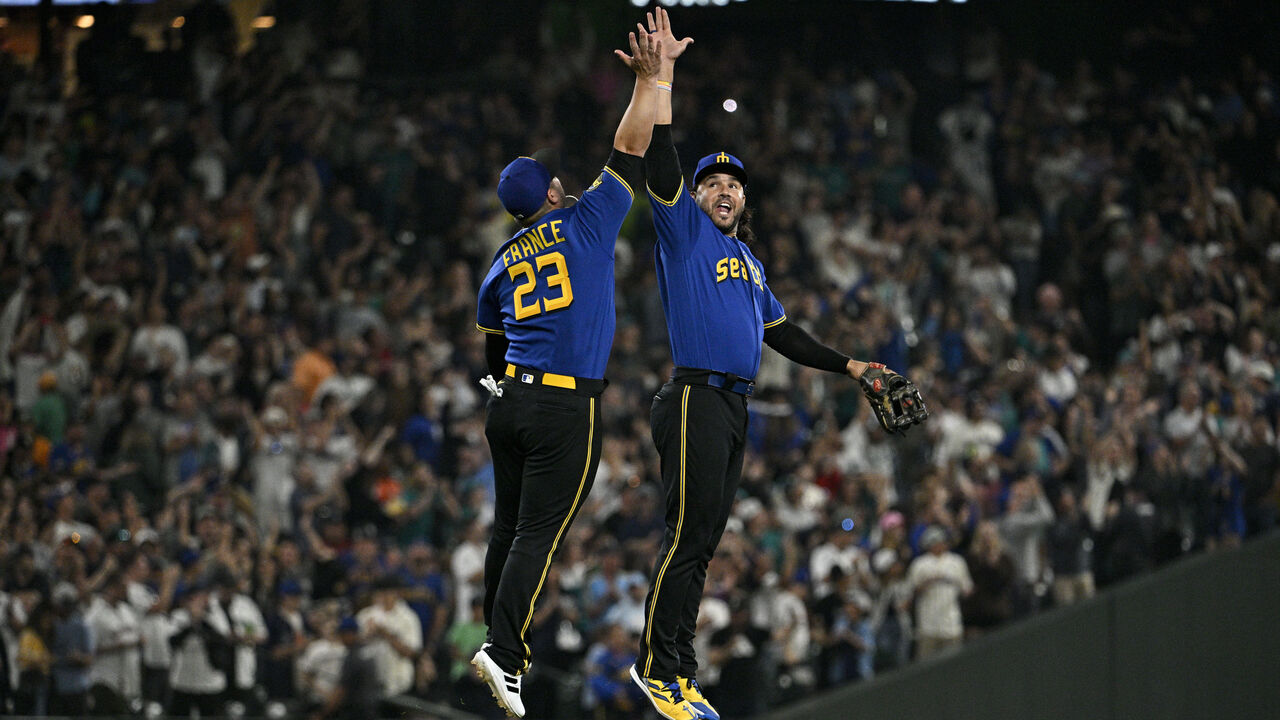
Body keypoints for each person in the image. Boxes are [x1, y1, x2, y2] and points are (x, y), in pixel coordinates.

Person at [630, 9, 924, 720]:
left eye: (734, 184)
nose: (724, 189)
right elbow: (660, 153)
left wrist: (854, 366)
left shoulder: (747, 261)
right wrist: (663, 74)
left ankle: (681, 670)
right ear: (695, 196)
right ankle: (654, 667)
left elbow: (784, 336)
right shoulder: (684, 233)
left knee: (703, 543)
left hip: (734, 404)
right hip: (696, 396)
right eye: (712, 183)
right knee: (686, 534)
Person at [468, 21, 665, 720]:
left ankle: (495, 633)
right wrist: (650, 80)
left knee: (508, 528)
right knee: (539, 533)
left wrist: (501, 381)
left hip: (511, 402)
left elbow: (493, 339)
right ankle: (503, 653)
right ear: (551, 190)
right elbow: (631, 148)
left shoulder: (501, 258)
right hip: (561, 407)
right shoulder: (583, 220)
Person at [906, 526, 973, 660]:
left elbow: (967, 589)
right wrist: (928, 582)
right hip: (928, 625)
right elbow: (910, 592)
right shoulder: (919, 564)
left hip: (951, 623)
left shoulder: (956, 562)